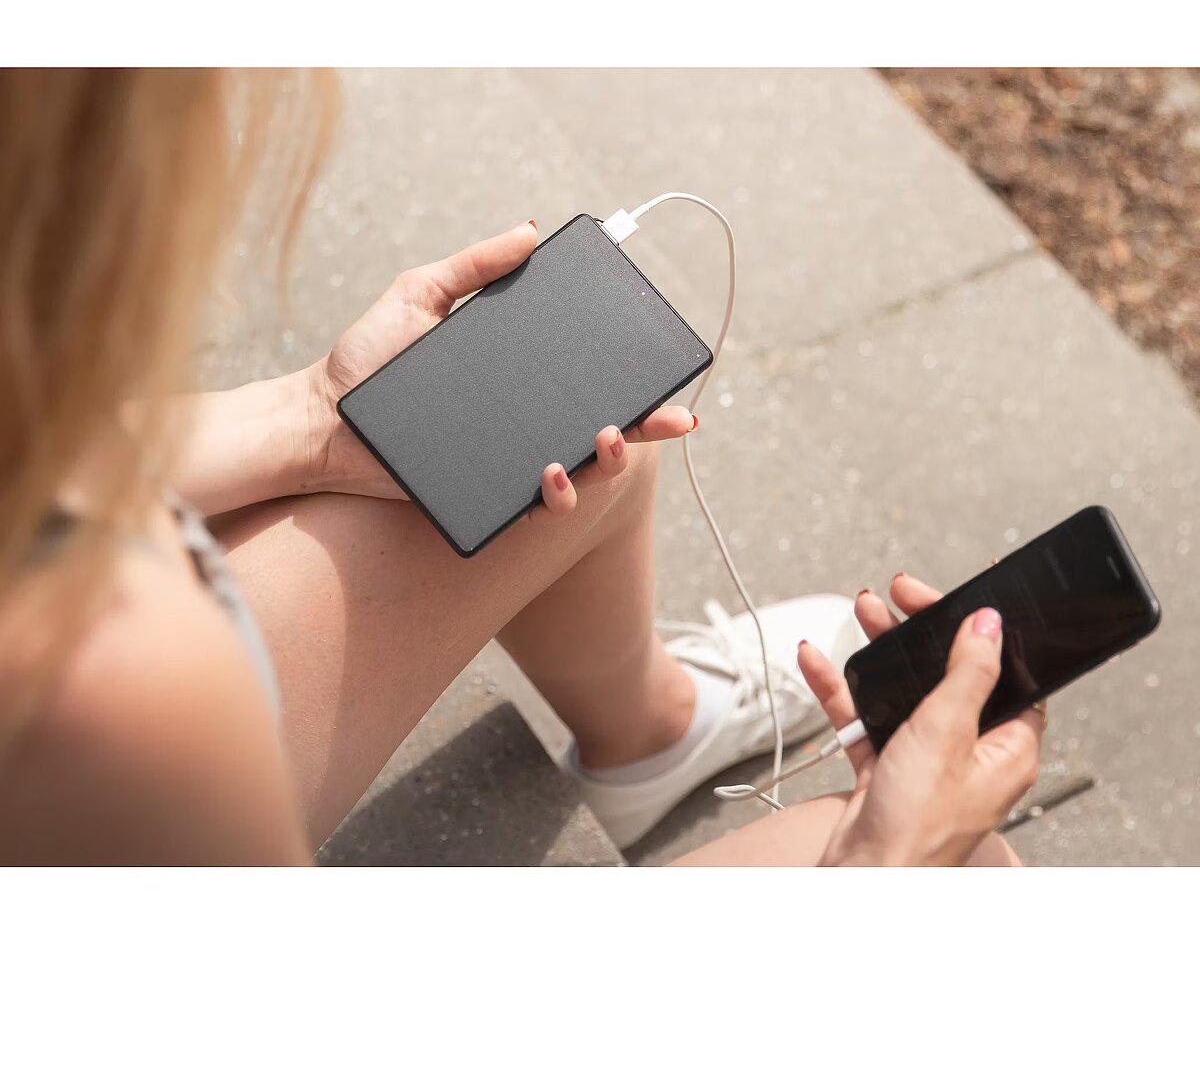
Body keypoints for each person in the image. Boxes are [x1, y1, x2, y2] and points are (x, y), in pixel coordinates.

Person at [0, 69, 1042, 866]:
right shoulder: (117, 682)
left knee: (574, 470)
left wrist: (314, 416)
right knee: (973, 880)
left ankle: (653, 736)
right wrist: (882, 863)